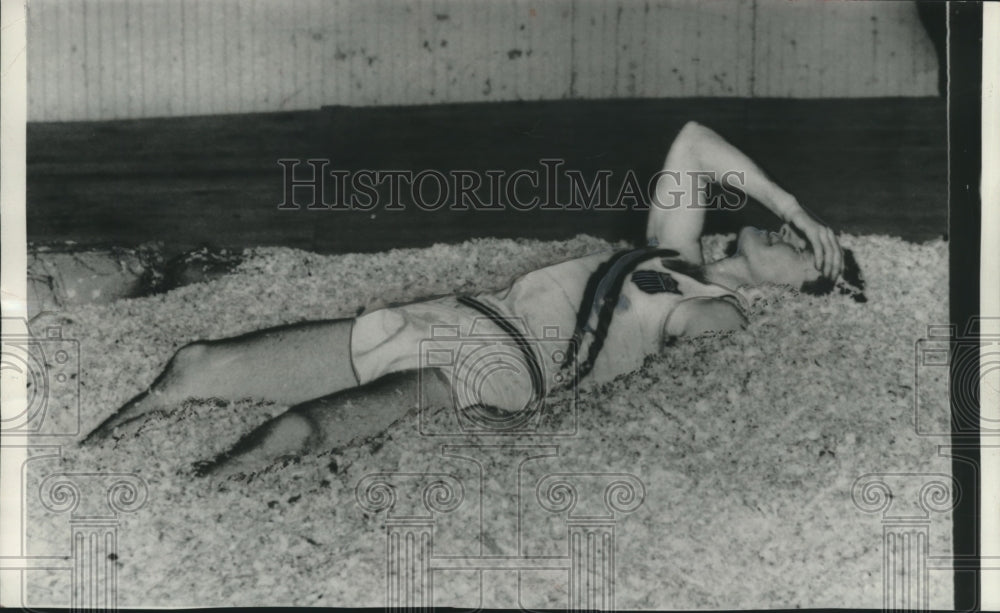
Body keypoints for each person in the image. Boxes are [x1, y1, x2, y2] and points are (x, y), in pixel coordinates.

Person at [81, 121, 864, 478]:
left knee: (298, 430)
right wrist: (793, 206)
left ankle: (193, 498)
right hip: (456, 313)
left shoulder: (721, 313)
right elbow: (692, 141)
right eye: (806, 236)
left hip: (499, 367)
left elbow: (692, 368)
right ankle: (85, 461)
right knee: (195, 363)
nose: (793, 239)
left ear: (803, 294)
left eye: (810, 256)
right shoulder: (672, 252)